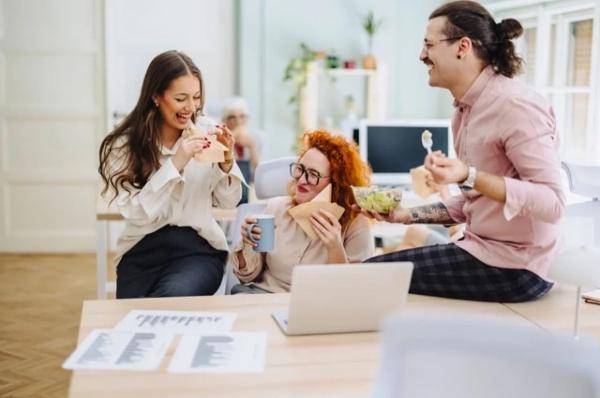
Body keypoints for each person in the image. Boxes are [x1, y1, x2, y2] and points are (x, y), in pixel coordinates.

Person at [361, 1, 565, 303]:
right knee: (375, 274)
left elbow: (553, 203)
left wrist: (469, 174)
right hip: (481, 250)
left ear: (463, 47)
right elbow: (474, 205)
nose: (421, 55)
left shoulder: (515, 106)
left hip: (516, 268)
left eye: (429, 45)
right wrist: (406, 215)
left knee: (364, 277)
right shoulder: (465, 111)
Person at [98, 50, 244, 299]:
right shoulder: (124, 145)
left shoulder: (207, 131)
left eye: (196, 97)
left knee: (167, 302)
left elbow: (229, 202)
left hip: (198, 250)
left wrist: (227, 161)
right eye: (180, 98)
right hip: (140, 251)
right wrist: (176, 163)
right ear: (156, 96)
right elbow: (137, 214)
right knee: (134, 318)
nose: (191, 107)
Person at [231, 130, 375, 294]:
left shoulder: (356, 224)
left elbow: (353, 292)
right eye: (300, 169)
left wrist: (335, 247)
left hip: (318, 306)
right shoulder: (275, 208)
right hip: (265, 297)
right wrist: (247, 244)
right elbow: (247, 277)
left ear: (336, 183)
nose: (301, 179)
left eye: (313, 174)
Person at [221, 97, 261, 169]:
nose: (238, 121)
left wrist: (252, 146)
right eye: (232, 117)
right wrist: (232, 138)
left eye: (242, 116)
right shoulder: (220, 140)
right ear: (225, 121)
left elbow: (260, 171)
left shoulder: (257, 137)